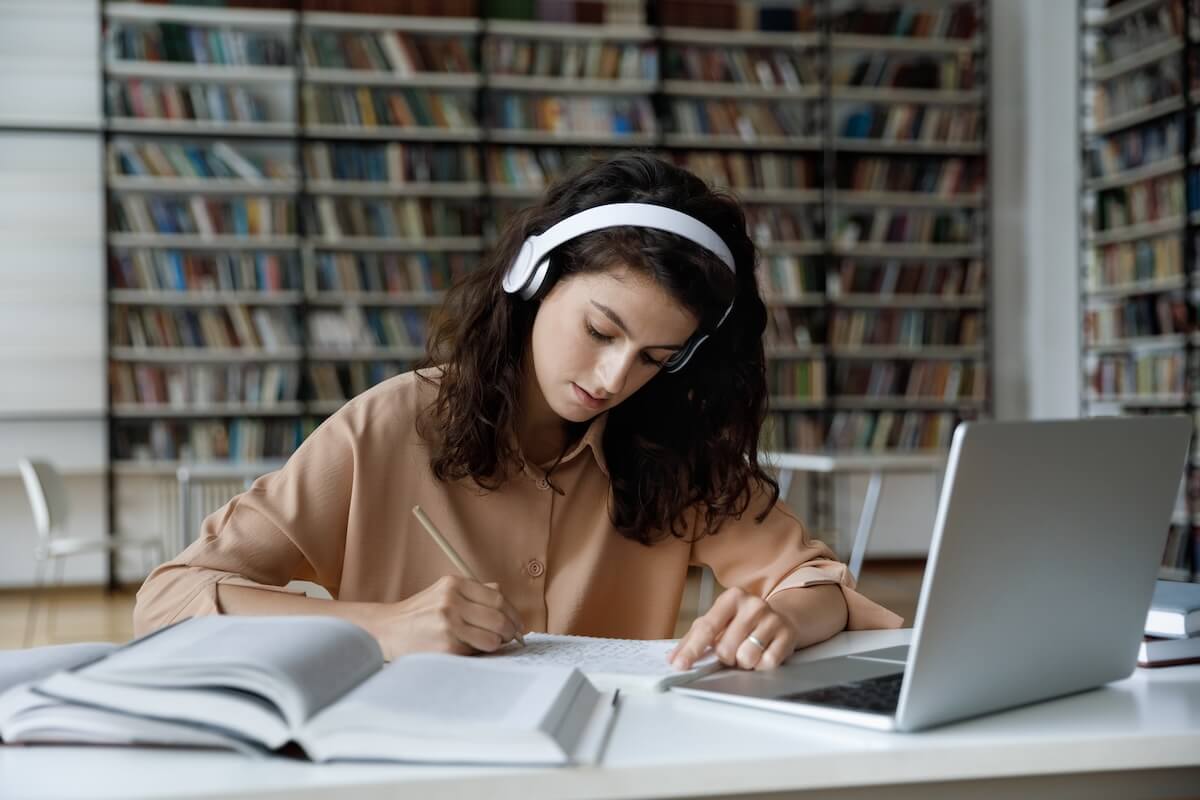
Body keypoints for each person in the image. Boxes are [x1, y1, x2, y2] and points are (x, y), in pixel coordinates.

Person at [134, 153, 902, 672]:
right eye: (602, 330)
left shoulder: (674, 448)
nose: (614, 377)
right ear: (533, 280)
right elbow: (169, 602)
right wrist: (382, 625)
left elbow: (816, 583)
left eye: (655, 358)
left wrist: (792, 618)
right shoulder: (389, 426)